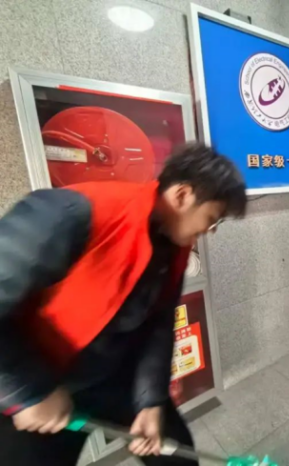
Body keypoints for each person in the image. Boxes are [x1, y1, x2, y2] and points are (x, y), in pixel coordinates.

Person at [0, 143, 247, 466]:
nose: (209, 231)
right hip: (42, 379)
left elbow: (159, 324)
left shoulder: (175, 244)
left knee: (177, 457)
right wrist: (29, 391)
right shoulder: (71, 213)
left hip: (117, 377)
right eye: (211, 219)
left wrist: (150, 400)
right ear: (183, 195)